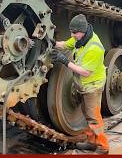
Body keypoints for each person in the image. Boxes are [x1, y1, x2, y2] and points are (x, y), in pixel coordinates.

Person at [50, 14, 109, 154]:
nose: (72, 35)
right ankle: (91, 142)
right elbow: (65, 44)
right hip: (84, 86)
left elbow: (85, 72)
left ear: (82, 31)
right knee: (86, 115)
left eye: (74, 32)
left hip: (92, 86)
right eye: (71, 32)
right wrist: (52, 43)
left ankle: (103, 147)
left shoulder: (95, 48)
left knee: (93, 118)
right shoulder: (80, 38)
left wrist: (65, 61)